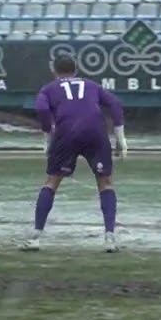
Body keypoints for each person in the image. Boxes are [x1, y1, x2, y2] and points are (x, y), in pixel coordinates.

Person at [23, 55, 129, 253]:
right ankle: (110, 238)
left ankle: (36, 237)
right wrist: (120, 137)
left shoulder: (48, 89)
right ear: (76, 70)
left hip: (66, 134)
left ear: (54, 71)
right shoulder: (92, 85)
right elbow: (115, 104)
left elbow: (42, 109)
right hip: (95, 133)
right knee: (105, 182)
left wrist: (48, 138)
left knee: (52, 181)